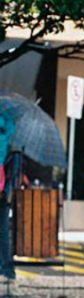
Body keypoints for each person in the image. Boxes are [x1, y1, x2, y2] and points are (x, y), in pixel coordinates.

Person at [0, 112, 16, 281]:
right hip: (4, 190)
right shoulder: (12, 137)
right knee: (3, 230)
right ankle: (7, 269)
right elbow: (14, 170)